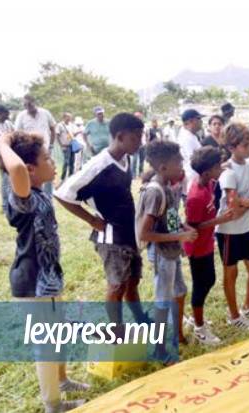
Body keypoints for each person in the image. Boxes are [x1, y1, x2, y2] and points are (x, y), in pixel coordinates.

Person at [0, 130, 88, 413]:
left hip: (48, 280)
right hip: (33, 282)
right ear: (31, 170)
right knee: (45, 346)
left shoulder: (38, 194)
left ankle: (61, 381)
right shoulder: (22, 197)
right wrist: (2, 142)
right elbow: (16, 167)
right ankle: (53, 405)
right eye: (47, 158)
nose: (54, 162)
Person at [54, 113, 148, 330]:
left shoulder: (126, 159)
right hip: (111, 238)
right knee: (117, 286)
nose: (140, 143)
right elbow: (62, 194)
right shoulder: (98, 166)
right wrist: (91, 220)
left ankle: (140, 319)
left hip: (129, 233)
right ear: (120, 136)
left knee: (132, 281)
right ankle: (117, 330)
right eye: (136, 138)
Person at [136, 140, 198, 346]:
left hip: (172, 251)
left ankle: (177, 334)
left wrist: (183, 228)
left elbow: (170, 218)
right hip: (162, 253)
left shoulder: (168, 187)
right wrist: (179, 237)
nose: (182, 166)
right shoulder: (155, 191)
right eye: (178, 163)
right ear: (163, 167)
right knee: (163, 299)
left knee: (180, 292)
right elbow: (145, 234)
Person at [216, 123, 249, 331]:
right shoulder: (228, 173)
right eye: (245, 145)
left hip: (245, 228)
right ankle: (234, 314)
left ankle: (248, 306)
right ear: (232, 147)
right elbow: (234, 205)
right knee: (231, 274)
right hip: (228, 231)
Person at [183, 147, 236, 345]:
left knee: (210, 279)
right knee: (201, 284)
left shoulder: (208, 182)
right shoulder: (196, 196)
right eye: (217, 167)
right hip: (197, 248)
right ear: (206, 172)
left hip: (207, 244)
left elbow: (219, 171)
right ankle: (199, 327)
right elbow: (193, 226)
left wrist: (227, 165)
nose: (220, 170)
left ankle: (197, 316)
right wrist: (218, 220)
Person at [14, 95, 56, 194]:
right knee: (33, 174)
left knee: (49, 172)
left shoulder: (45, 113)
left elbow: (53, 128)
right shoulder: (21, 116)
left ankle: (48, 197)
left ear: (34, 102)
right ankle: (35, 195)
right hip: (31, 152)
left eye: (29, 104)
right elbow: (17, 133)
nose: (27, 106)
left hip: (46, 149)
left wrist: (51, 145)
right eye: (25, 105)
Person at [178, 109, 206, 193]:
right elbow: (193, 160)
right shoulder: (186, 138)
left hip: (195, 178)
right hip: (192, 179)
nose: (201, 121)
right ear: (191, 121)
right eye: (199, 119)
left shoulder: (190, 135)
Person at [55, 113, 75, 182]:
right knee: (66, 161)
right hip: (65, 146)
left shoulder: (71, 125)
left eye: (70, 117)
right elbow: (57, 135)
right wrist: (61, 145)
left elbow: (72, 134)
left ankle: (71, 176)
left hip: (72, 145)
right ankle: (63, 178)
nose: (69, 118)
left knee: (72, 161)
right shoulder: (60, 125)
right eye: (68, 117)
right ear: (64, 117)